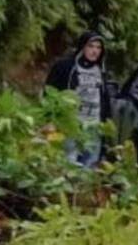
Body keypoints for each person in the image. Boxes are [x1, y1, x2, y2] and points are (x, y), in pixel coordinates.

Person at [45, 31, 110, 167]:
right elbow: (49, 93)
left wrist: (105, 128)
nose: (95, 51)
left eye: (98, 48)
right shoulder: (65, 67)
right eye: (91, 46)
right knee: (68, 163)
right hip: (71, 125)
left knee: (89, 164)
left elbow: (104, 100)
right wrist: (50, 119)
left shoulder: (101, 72)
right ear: (82, 47)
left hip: (93, 127)